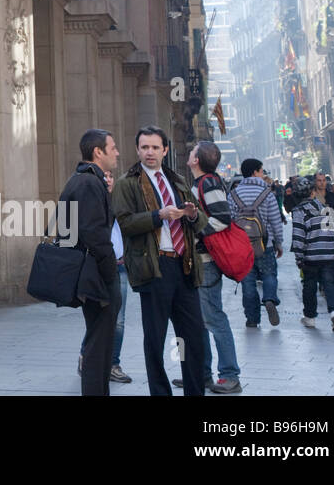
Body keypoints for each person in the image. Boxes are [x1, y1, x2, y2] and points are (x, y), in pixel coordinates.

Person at [112, 126, 208, 396]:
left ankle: (194, 390)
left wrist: (189, 214)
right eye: (144, 147)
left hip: (184, 265)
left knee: (191, 336)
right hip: (154, 267)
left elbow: (200, 220)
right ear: (137, 150)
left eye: (155, 147)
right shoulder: (126, 183)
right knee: (155, 339)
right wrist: (159, 215)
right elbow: (124, 222)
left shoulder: (176, 180)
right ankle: (160, 392)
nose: (150, 152)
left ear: (165, 150)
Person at [62, 129, 123, 395]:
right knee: (99, 347)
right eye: (113, 147)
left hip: (93, 273)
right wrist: (111, 271)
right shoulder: (88, 183)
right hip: (97, 276)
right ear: (98, 152)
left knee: (101, 343)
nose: (117, 152)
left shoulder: (86, 180)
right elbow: (94, 233)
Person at [186, 142, 241, 393]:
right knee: (200, 320)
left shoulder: (207, 182)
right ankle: (202, 373)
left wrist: (198, 230)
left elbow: (222, 218)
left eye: (192, 151)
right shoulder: (201, 183)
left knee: (214, 318)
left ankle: (230, 375)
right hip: (198, 262)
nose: (189, 154)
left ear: (196, 159)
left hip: (206, 263)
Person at [231, 158, 283, 328]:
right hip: (264, 244)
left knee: (248, 282)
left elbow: (229, 220)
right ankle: (269, 298)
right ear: (255, 172)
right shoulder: (267, 193)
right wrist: (279, 242)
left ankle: (252, 318)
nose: (263, 174)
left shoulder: (234, 194)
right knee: (269, 274)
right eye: (261, 171)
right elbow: (275, 219)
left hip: (242, 247)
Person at [292, 175, 334, 331]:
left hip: (310, 256)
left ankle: (310, 317)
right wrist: (333, 251)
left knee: (309, 286)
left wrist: (299, 257)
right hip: (328, 254)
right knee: (329, 284)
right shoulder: (326, 208)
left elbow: (299, 235)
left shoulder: (299, 211)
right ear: (313, 192)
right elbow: (331, 233)